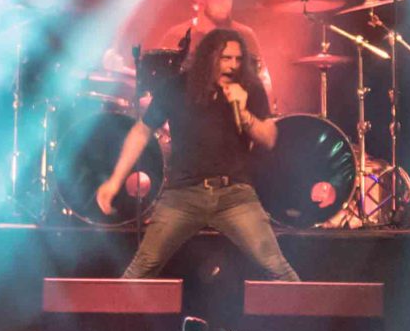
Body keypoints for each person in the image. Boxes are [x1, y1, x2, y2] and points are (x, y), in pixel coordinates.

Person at [99, 26, 301, 281]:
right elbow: (141, 131)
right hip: (184, 194)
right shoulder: (177, 87)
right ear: (208, 58)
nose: (233, 65)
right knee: (142, 267)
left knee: (277, 267)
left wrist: (243, 111)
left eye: (238, 59)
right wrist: (115, 180)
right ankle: (113, 308)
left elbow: (269, 138)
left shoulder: (249, 88)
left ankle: (305, 308)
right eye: (226, 58)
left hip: (234, 195)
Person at [161, 0, 272, 94]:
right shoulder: (177, 36)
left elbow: (263, 78)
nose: (226, 2)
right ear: (201, 0)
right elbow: (161, 79)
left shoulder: (245, 35)